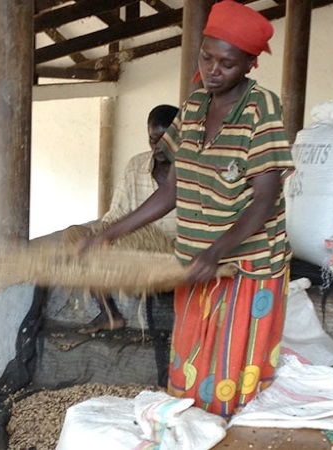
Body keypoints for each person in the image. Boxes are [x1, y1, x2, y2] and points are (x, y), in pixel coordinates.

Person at [81, 0, 294, 420]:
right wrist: (109, 233)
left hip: (246, 267)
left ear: (249, 64)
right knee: (192, 364)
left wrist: (216, 252)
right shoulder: (194, 106)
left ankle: (229, 436)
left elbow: (265, 199)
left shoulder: (261, 109)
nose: (213, 70)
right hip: (196, 261)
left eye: (227, 64)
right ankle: (197, 433)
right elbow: (172, 190)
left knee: (231, 375)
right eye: (206, 57)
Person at [64, 104, 179, 333]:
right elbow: (114, 216)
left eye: (165, 140)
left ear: (179, 138)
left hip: (173, 259)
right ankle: (109, 314)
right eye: (153, 140)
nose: (158, 147)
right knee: (74, 235)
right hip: (134, 255)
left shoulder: (193, 170)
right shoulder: (136, 166)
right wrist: (101, 239)